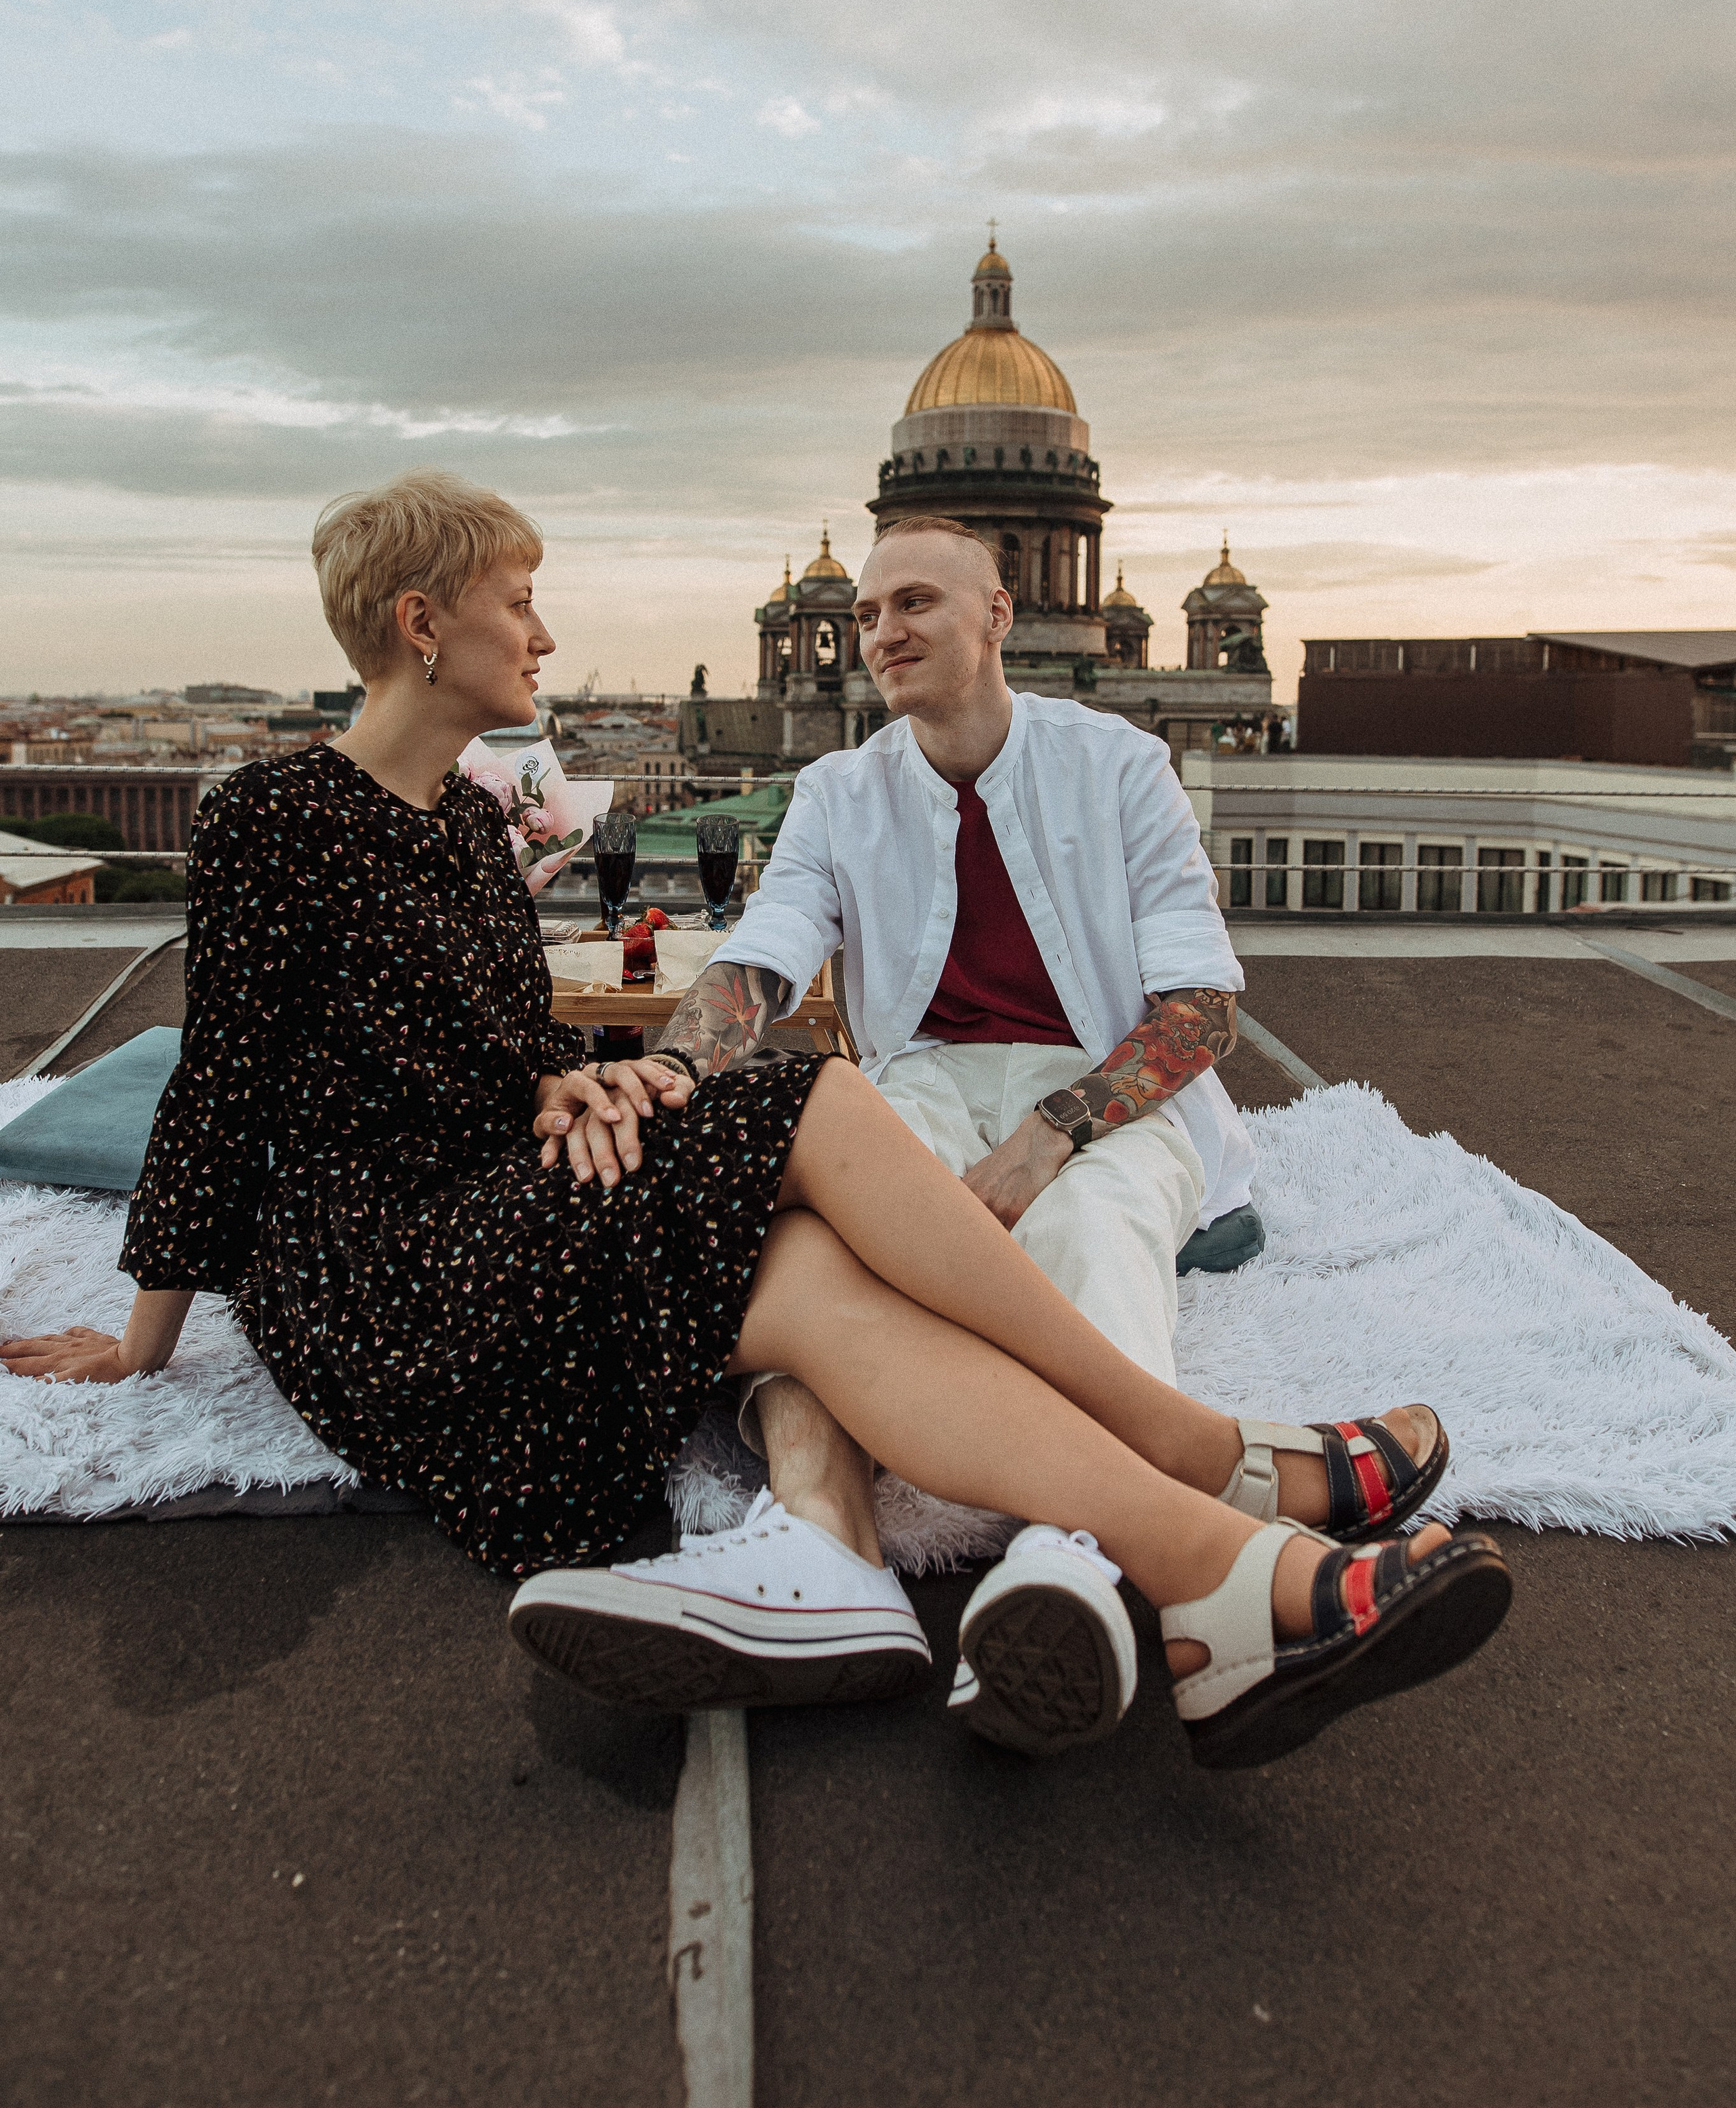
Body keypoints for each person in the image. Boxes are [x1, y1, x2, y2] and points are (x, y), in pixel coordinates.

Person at [0, 471, 1508, 1770]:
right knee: (803, 1104)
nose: (545, 633)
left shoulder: (467, 822)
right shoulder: (268, 819)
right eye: (521, 602)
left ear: (1001, 614)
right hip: (385, 1275)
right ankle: (1198, 1463)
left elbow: (502, 1053)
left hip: (506, 1202)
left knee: (801, 1267)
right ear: (421, 623)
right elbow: (221, 1095)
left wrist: (577, 1080)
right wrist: (145, 1339)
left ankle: (1161, 1579)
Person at [654, 515, 1284, 1656]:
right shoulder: (838, 791)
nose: (881, 632)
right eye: (865, 614)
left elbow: (1202, 1008)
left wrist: (1049, 1136)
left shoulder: (1120, 764)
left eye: (914, 602)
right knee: (806, 1242)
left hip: (1096, 1080)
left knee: (1095, 1220)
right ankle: (817, 1533)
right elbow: (762, 958)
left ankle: (1075, 1555)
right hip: (921, 1076)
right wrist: (671, 1066)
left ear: (998, 613)